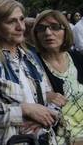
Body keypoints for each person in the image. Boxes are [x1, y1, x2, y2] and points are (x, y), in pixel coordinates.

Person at [0, 0, 58, 144]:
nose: (21, 27)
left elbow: (50, 97)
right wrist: (23, 110)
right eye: (11, 21)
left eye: (21, 19)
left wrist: (47, 118)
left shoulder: (31, 56)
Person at [33, 10, 83, 144]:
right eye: (41, 28)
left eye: (55, 27)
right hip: (57, 139)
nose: (48, 33)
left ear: (66, 31)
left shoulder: (78, 58)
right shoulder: (31, 64)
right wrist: (44, 95)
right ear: (36, 35)